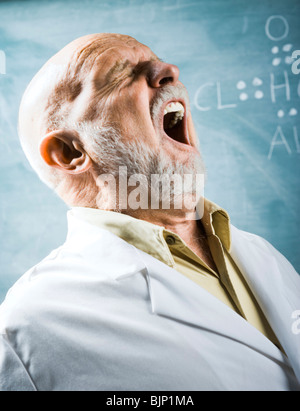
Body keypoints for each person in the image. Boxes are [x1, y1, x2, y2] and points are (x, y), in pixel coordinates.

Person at [0, 33, 299, 391]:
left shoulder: (263, 255)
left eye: (160, 63)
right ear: (70, 152)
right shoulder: (28, 327)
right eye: (118, 75)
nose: (169, 71)